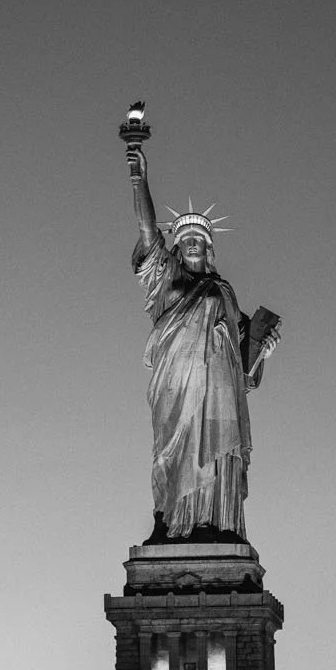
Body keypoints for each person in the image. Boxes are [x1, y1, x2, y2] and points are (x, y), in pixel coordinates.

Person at [125, 142, 279, 542]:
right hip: (176, 383)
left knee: (218, 449)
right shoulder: (167, 281)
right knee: (172, 451)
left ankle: (218, 524)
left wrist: (262, 351)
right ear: (177, 248)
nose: (193, 243)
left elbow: (243, 367)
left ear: (209, 248)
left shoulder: (223, 292)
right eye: (186, 239)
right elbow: (147, 231)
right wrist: (139, 178)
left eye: (200, 239)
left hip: (219, 389)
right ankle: (172, 522)